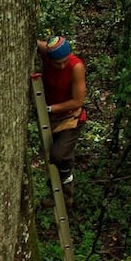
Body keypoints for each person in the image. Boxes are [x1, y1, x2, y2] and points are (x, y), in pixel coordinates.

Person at [37, 36, 86, 207]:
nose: (62, 65)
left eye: (65, 61)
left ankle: (66, 194)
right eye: (58, 63)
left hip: (71, 117)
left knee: (60, 155)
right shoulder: (47, 52)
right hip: (52, 118)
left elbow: (77, 101)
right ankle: (54, 192)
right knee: (53, 157)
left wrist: (50, 109)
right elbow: (37, 43)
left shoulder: (76, 67)